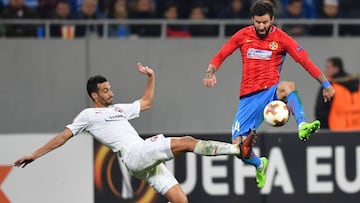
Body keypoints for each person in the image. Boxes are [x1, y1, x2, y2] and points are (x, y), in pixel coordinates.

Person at [14, 63, 256, 203]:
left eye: (110, 88)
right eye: (105, 90)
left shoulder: (119, 109)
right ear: (94, 96)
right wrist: (34, 155)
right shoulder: (88, 116)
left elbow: (146, 102)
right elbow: (62, 137)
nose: (111, 92)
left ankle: (238, 149)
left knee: (181, 200)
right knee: (187, 142)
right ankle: (237, 149)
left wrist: (151, 77)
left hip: (141, 158)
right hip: (133, 153)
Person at [202, 0, 335, 189]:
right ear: (253, 20)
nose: (262, 26)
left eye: (265, 22)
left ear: (272, 19)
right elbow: (221, 54)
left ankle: (302, 124)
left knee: (288, 86)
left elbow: (305, 61)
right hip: (248, 99)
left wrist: (326, 84)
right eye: (258, 22)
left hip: (271, 91)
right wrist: (210, 73)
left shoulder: (281, 38)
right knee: (239, 149)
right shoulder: (243, 35)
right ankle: (260, 164)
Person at [315, 57, 360, 130]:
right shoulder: (357, 85)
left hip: (337, 133)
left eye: (328, 67)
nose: (326, 71)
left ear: (336, 68)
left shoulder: (329, 87)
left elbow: (321, 113)